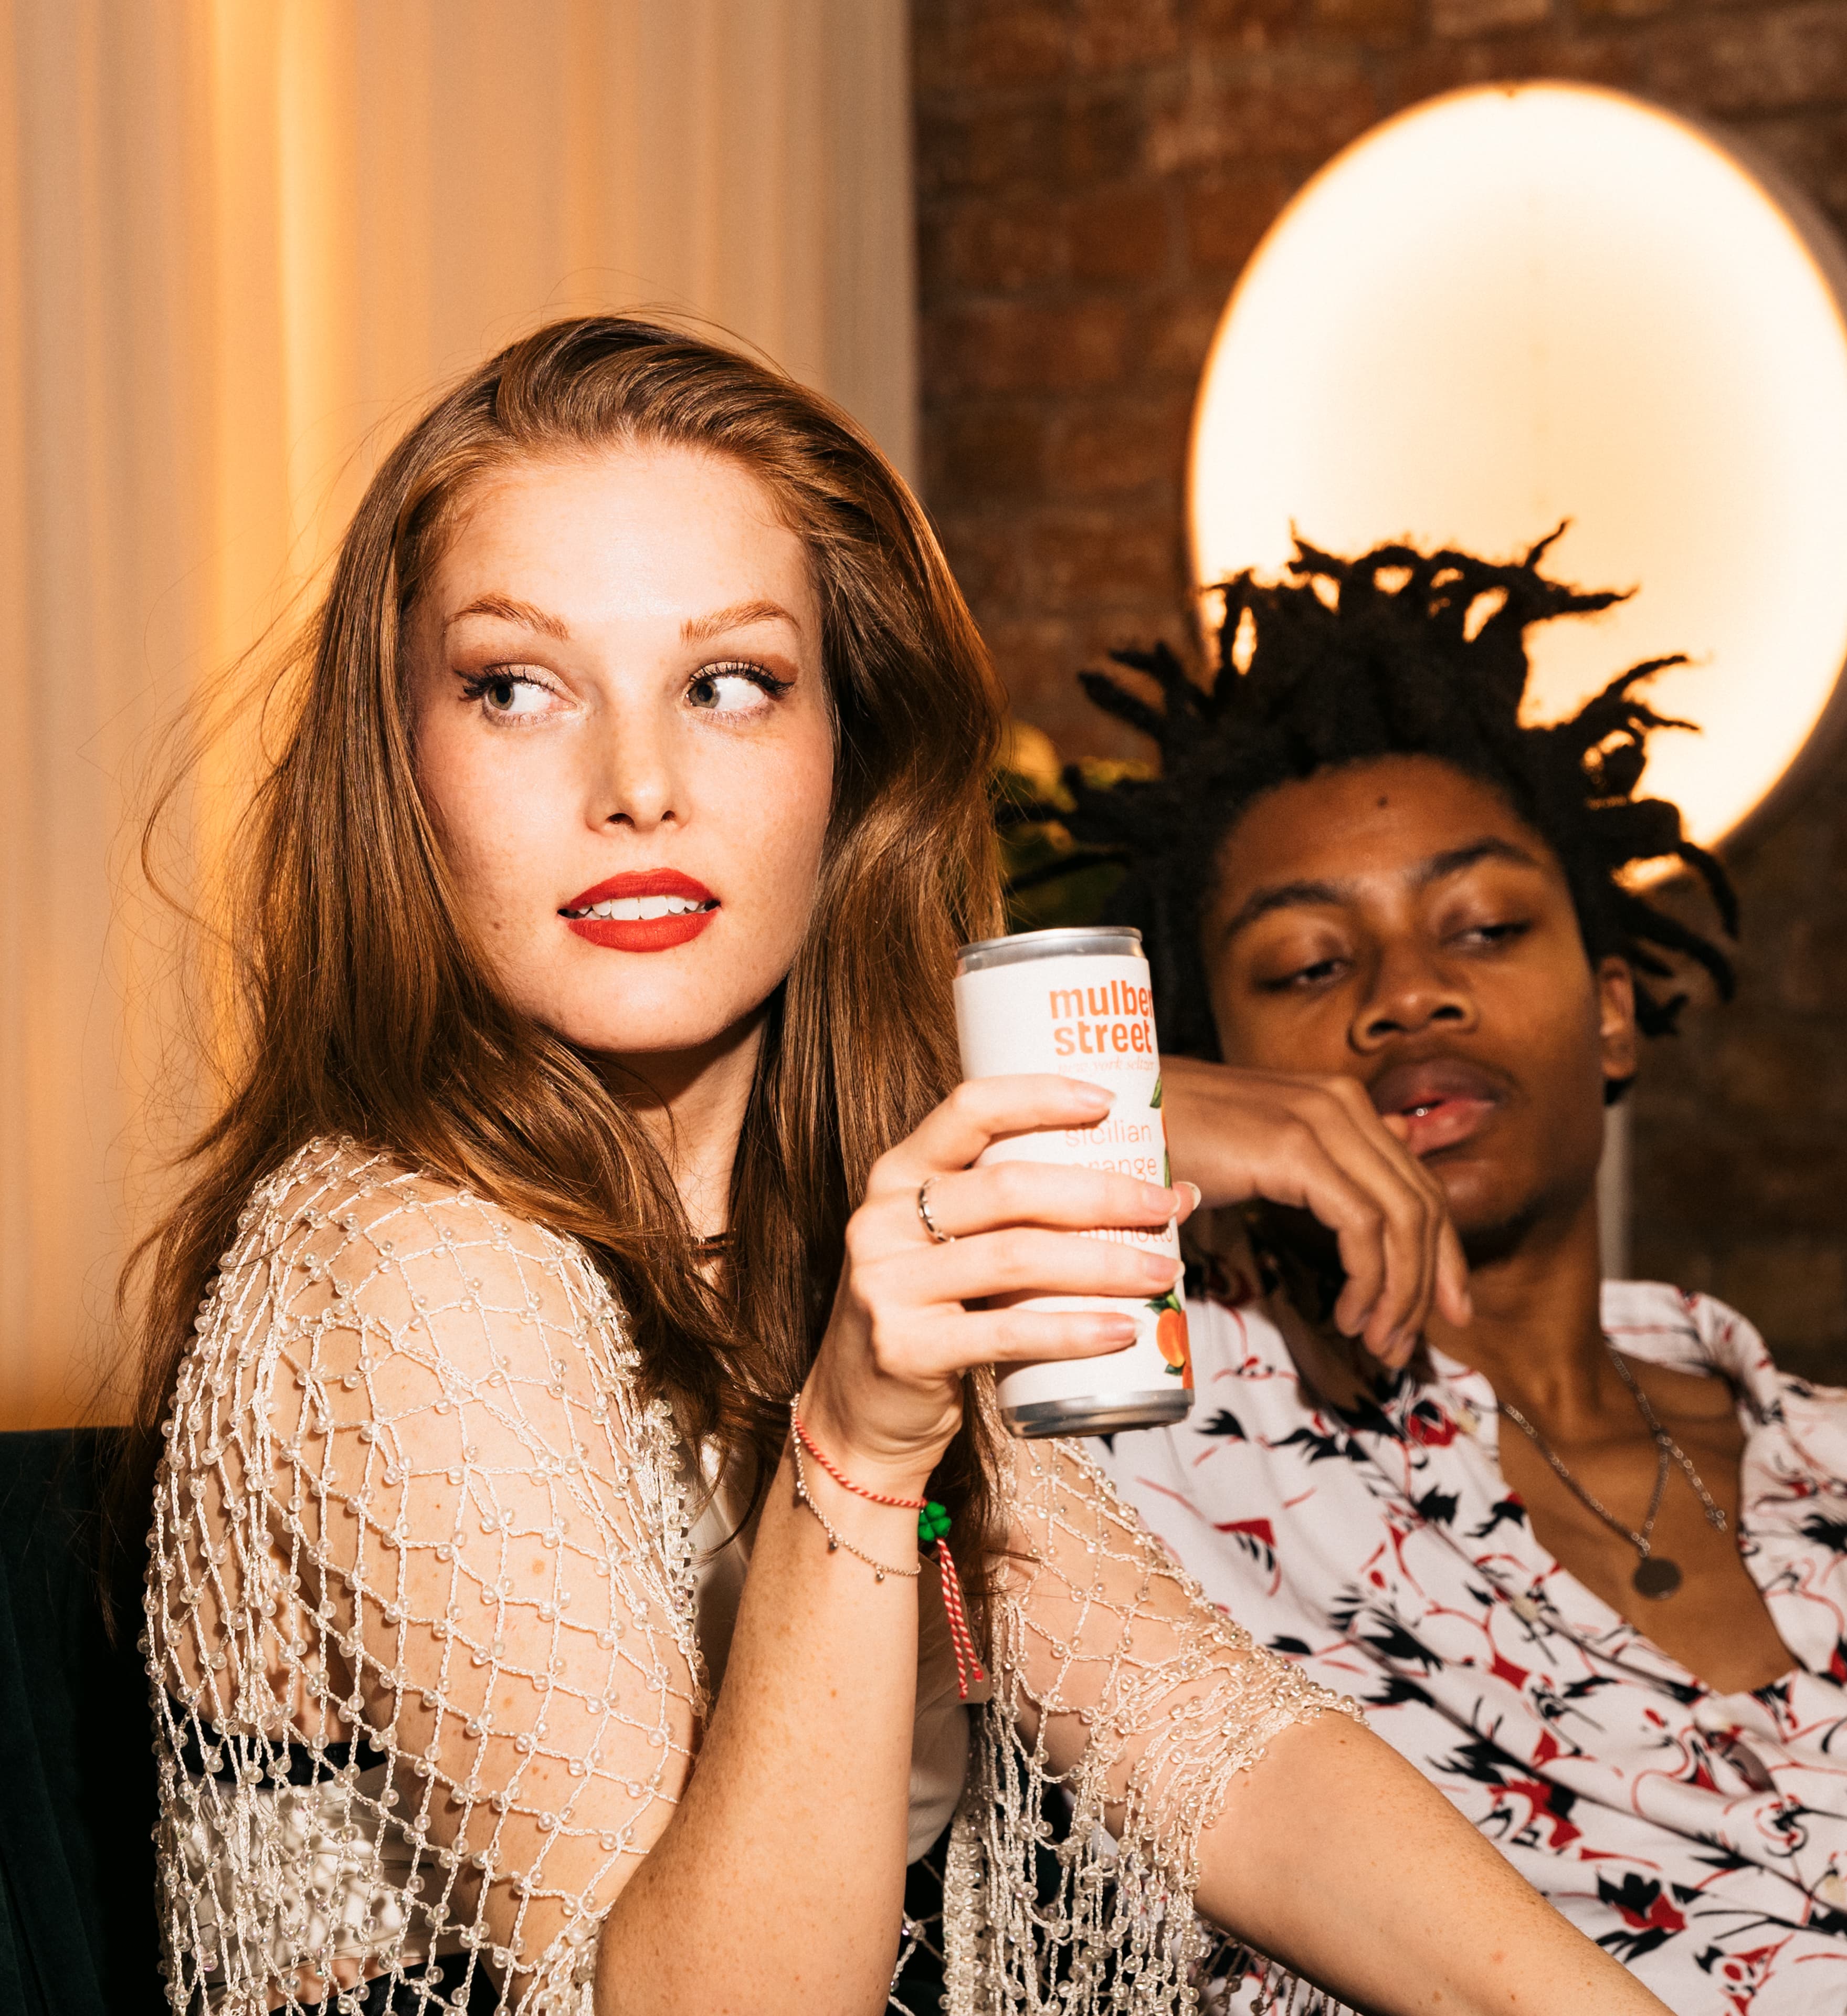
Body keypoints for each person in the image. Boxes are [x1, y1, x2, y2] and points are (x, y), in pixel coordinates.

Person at [123, 321, 1660, 2016]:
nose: (638, 788)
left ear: (847, 755)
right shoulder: (402, 1267)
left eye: (729, 683)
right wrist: (855, 1450)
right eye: (517, 686)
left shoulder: (805, 1217)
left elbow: (1219, 1747)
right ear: (398, 765)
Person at [1057, 533, 1847, 2015]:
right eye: (1309, 965)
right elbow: (785, 1236)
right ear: (1218, 1061)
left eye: (1487, 928)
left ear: (1614, 1012)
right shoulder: (1154, 1426)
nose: (1405, 993)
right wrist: (1128, 1114)